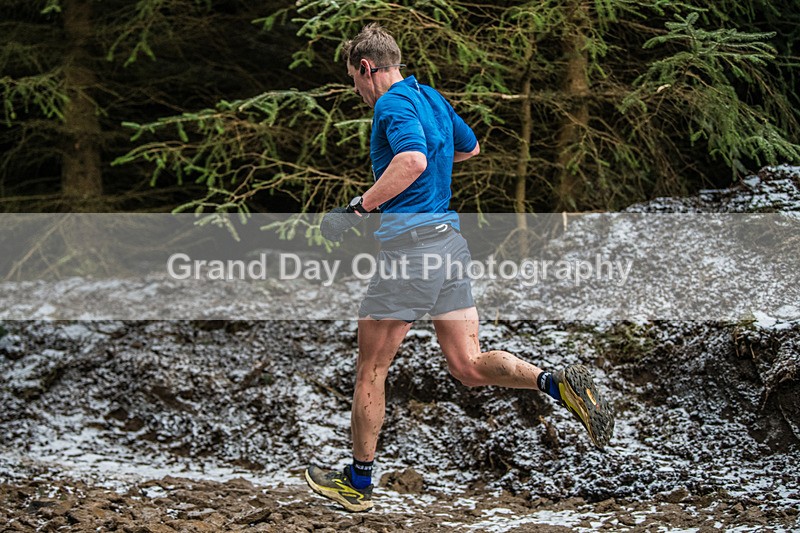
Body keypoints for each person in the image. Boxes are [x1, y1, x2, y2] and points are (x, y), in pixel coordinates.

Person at [306, 23, 614, 512]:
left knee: (372, 368)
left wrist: (358, 209)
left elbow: (411, 161)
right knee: (468, 367)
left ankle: (358, 484)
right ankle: (557, 383)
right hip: (448, 246)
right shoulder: (430, 96)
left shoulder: (391, 104)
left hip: (410, 253)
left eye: (354, 80)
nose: (358, 91)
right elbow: (469, 147)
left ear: (366, 68)